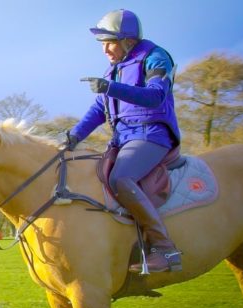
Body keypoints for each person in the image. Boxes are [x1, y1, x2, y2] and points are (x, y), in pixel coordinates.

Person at [65, 9, 182, 273]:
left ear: (128, 40)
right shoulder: (113, 70)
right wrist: (75, 135)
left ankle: (166, 250)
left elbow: (154, 97)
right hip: (124, 139)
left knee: (121, 178)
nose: (105, 49)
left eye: (110, 42)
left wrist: (110, 88)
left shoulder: (155, 57)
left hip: (153, 135)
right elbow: (99, 108)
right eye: (102, 44)